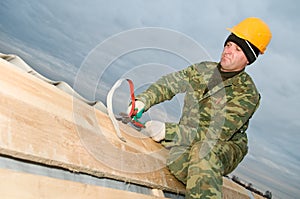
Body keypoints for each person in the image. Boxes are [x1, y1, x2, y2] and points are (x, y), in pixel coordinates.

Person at [129, 17, 272, 199]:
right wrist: (143, 100)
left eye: (237, 49)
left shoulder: (247, 94)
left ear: (248, 60)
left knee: (203, 153)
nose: (228, 51)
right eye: (228, 44)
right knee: (177, 163)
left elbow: (213, 133)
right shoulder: (203, 70)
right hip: (189, 138)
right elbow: (170, 83)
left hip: (222, 146)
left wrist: (169, 131)